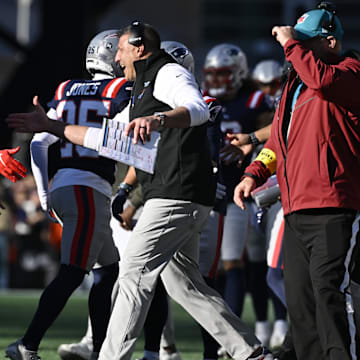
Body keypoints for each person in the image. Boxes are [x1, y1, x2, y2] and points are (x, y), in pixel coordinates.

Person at [6, 22, 274, 360]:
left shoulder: (167, 74)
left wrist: (160, 120)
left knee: (132, 272)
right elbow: (106, 140)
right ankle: (251, 352)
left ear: (139, 48)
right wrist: (52, 127)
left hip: (176, 193)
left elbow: (199, 109)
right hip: (176, 193)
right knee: (185, 285)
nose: (116, 60)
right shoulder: (142, 87)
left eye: (120, 50)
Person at [234, 2, 360, 360]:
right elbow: (278, 138)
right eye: (295, 43)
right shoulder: (296, 88)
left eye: (306, 43)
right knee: (301, 307)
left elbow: (325, 81)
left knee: (330, 295)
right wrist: (253, 173)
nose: (296, 49)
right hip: (295, 208)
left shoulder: (349, 72)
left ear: (330, 43)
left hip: (334, 205)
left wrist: (291, 44)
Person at [5, 29, 131, 360]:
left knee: (110, 270)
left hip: (67, 185)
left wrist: (46, 195)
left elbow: (39, 142)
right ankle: (27, 345)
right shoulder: (120, 88)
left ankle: (100, 349)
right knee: (73, 272)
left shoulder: (66, 89)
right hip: (87, 189)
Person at [202, 43, 274, 348]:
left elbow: (277, 131)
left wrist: (252, 146)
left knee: (231, 261)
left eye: (223, 74)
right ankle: (220, 333)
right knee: (210, 266)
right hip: (207, 192)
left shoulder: (256, 101)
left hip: (238, 191)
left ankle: (229, 335)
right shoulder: (200, 99)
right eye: (212, 75)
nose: (217, 81)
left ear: (239, 72)